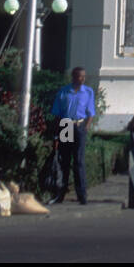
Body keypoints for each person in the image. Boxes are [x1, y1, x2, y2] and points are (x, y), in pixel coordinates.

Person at [50, 65, 96, 205]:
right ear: (73, 77)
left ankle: (82, 195)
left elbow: (91, 112)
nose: (82, 79)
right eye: (79, 76)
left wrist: (86, 127)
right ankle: (60, 193)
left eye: (84, 76)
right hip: (66, 125)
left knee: (79, 161)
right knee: (65, 161)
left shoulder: (88, 92)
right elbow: (57, 113)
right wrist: (57, 135)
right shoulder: (64, 92)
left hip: (79, 125)